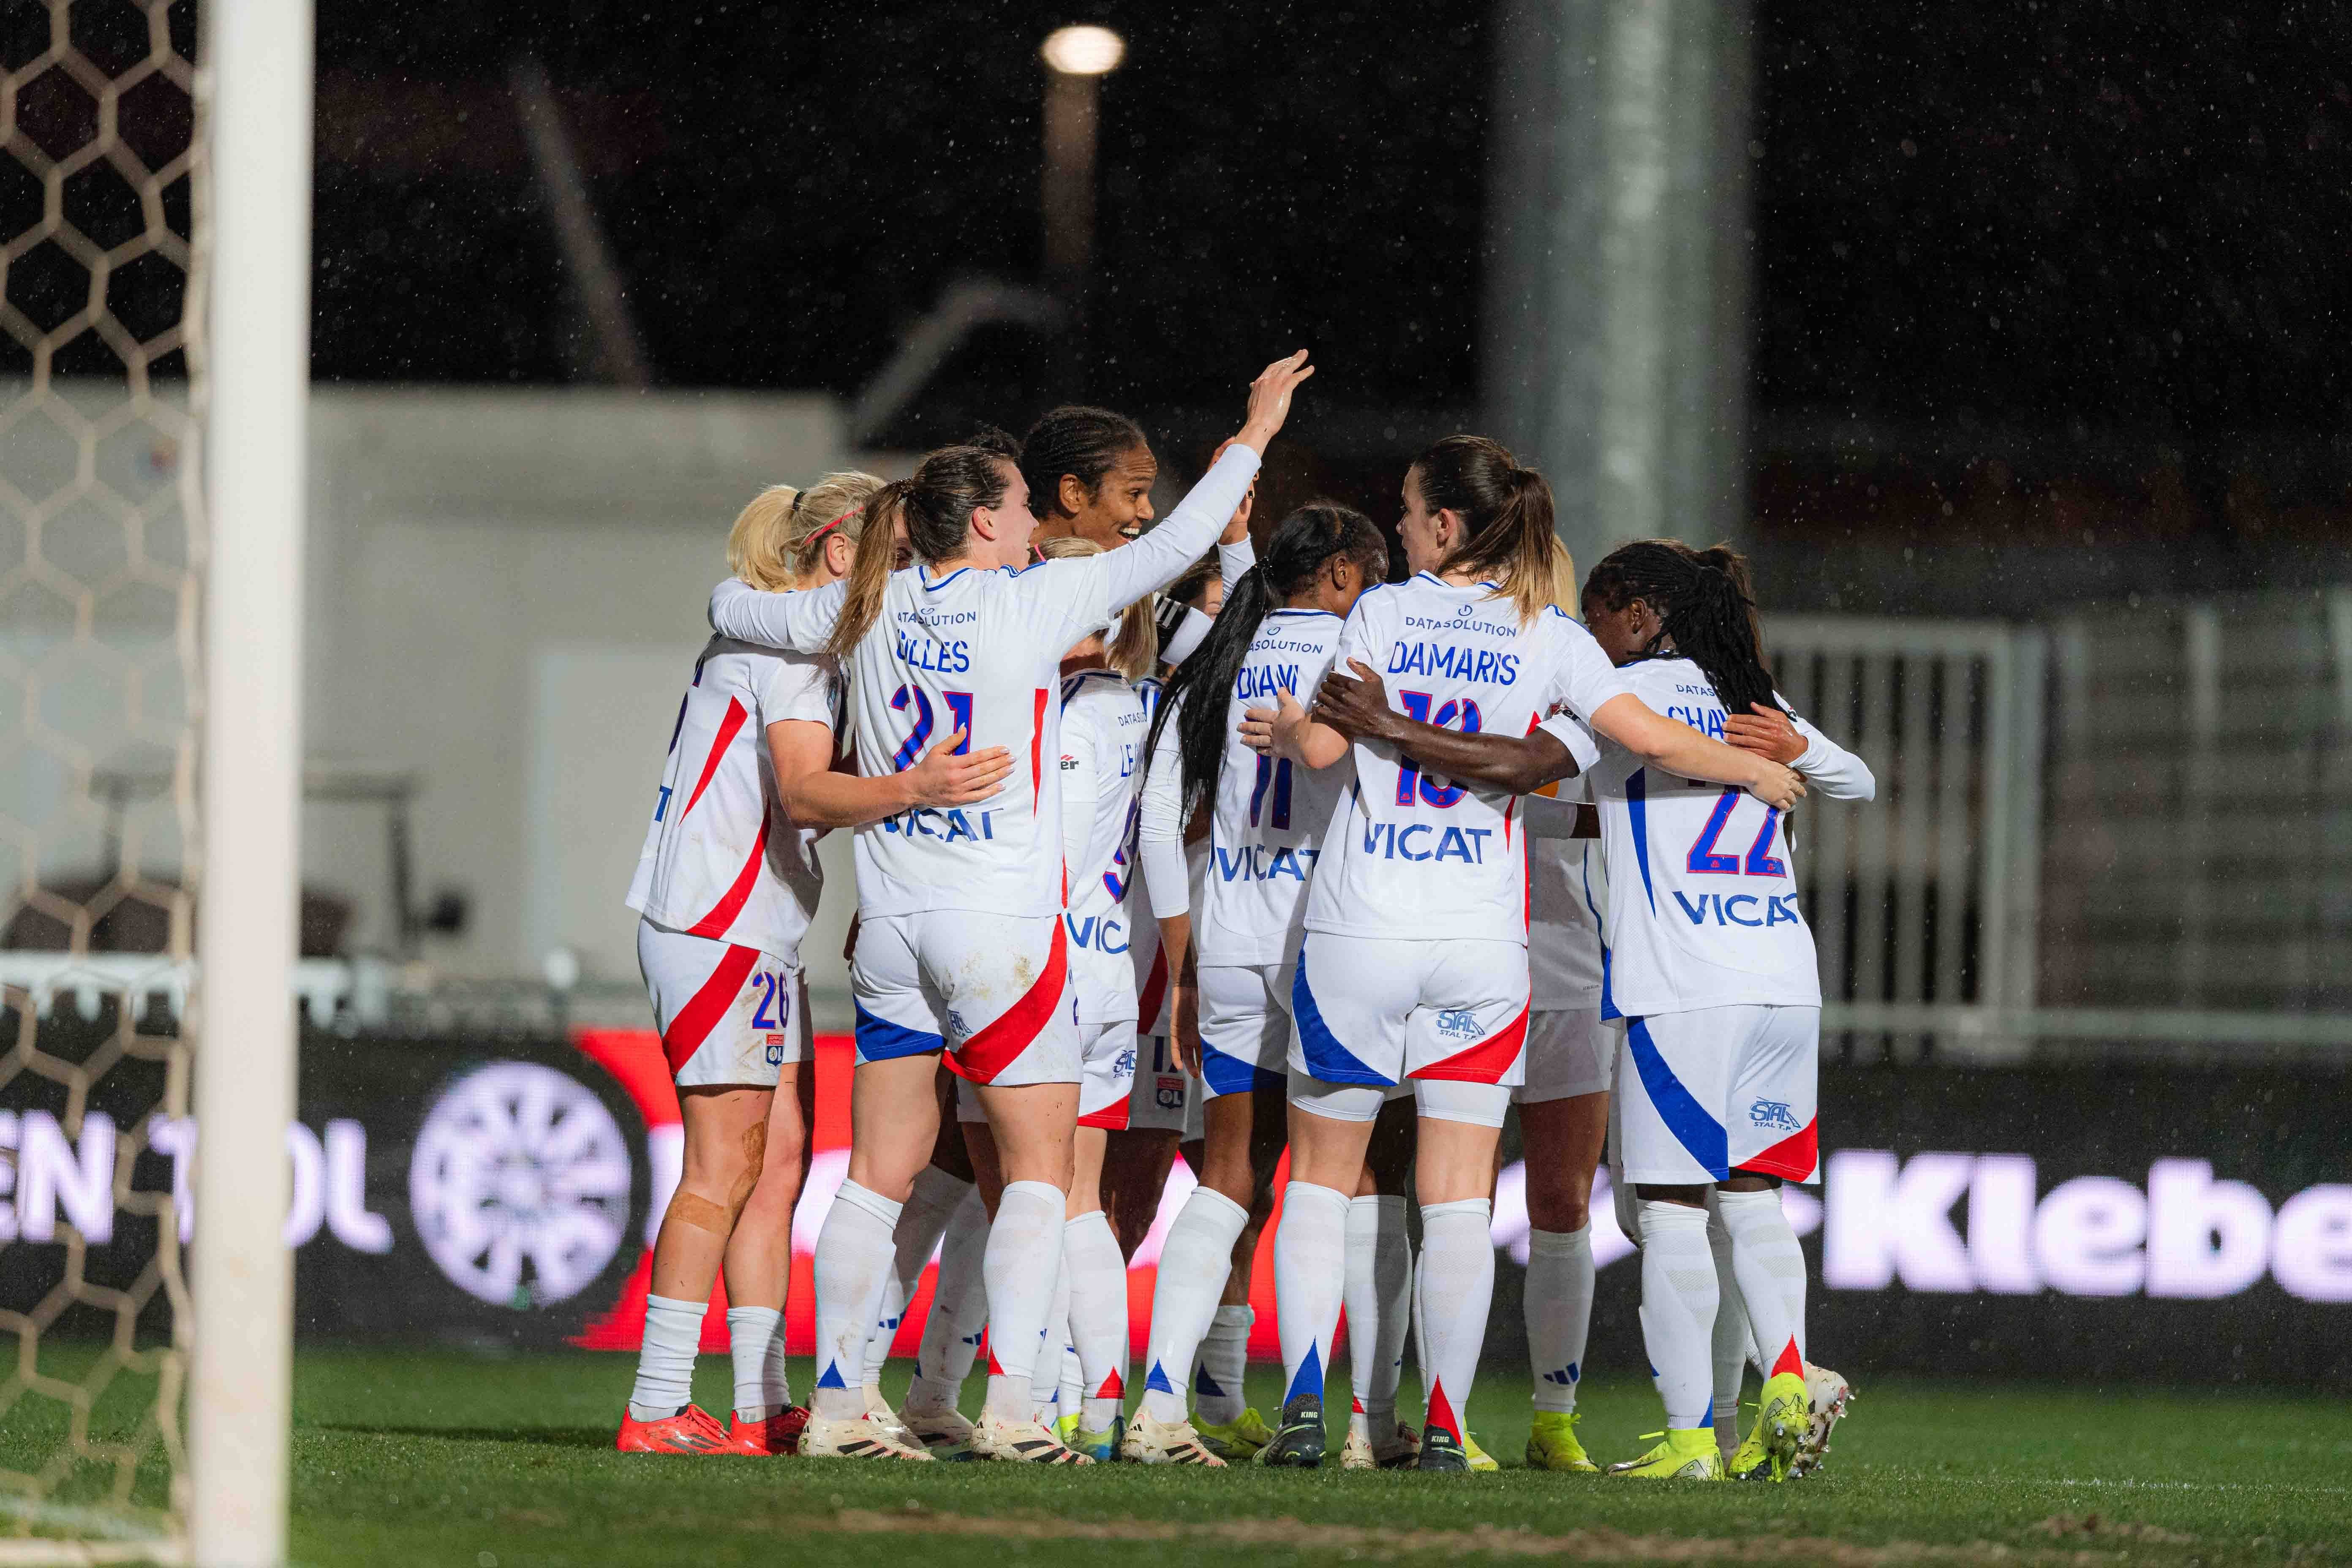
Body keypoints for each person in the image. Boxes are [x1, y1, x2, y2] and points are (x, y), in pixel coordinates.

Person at [704, 350, 1317, 1463]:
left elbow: (739, 605)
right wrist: (1256, 431)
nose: (1038, 519)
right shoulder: (1031, 603)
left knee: (875, 1175)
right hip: (998, 928)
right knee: (1039, 1170)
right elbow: (1181, 548)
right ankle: (1017, 1410)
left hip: (890, 925)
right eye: (1023, 505)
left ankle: (841, 1405)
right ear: (983, 524)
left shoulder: (866, 605)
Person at [1249, 436, 1803, 1470]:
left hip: (1362, 923)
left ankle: (1305, 1410)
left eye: (1411, 512)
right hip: (1481, 943)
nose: (1401, 528)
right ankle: (1453, 1424)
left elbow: (1323, 747)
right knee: (1460, 1195)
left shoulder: (1380, 610)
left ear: (1448, 527)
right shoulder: (1552, 637)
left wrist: (1287, 729)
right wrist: (1751, 771)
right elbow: (1652, 738)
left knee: (1322, 1177)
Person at [615, 473, 1012, 1456]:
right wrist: (917, 786)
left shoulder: (794, 636)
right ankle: (659, 1399)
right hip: (717, 924)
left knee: (779, 1162)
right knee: (723, 1163)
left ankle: (759, 1404)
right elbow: (803, 793)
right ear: (844, 551)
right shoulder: (788, 643)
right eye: (900, 553)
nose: (914, 576)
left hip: (758, 928)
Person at [1573, 539, 1871, 1481]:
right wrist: (1796, 750)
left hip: (1685, 980)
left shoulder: (1622, 698)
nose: (1590, 634)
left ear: (1636, 612)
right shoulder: (1754, 699)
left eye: (1597, 613)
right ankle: (1787, 1376)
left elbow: (1540, 777)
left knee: (1666, 1211)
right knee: (1753, 1196)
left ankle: (1693, 1439)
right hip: (1784, 975)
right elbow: (1857, 781)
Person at [1121, 502, 1394, 1467]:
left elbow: (1160, 820)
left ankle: (1158, 1401)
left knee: (1232, 1173)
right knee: (1344, 1173)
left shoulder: (1222, 651)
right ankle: (1339, 1411)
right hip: (1328, 936)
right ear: (1343, 578)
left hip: (1229, 928)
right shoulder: (1364, 651)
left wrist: (1186, 955)